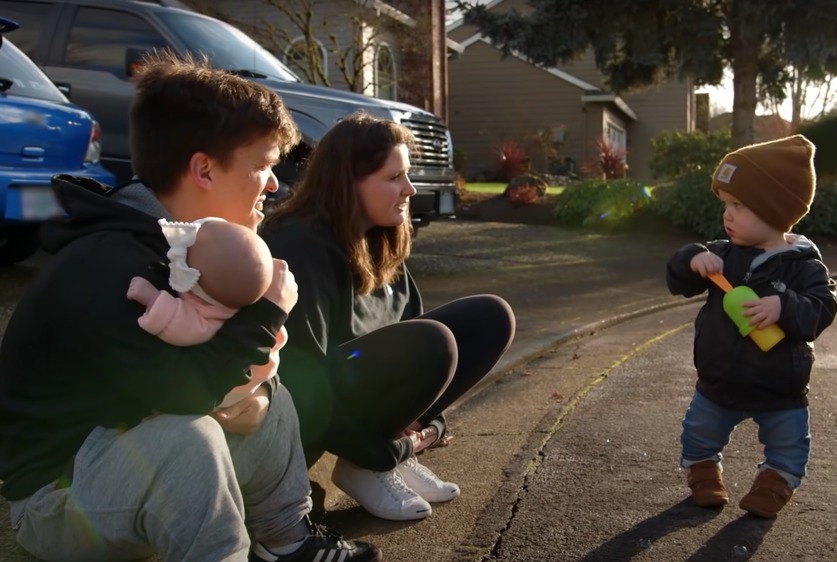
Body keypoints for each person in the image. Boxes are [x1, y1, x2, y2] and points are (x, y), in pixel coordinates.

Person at [0, 52, 380, 562]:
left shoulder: (182, 252)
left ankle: (286, 541)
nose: (273, 184)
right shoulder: (112, 267)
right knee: (191, 438)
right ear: (203, 169)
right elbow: (182, 396)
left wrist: (245, 396)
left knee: (273, 397)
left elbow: (189, 389)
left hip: (131, 451)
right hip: (57, 497)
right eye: (262, 167)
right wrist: (265, 314)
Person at [262, 111, 516, 522]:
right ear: (349, 182)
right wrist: (381, 451)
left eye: (407, 175)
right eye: (394, 177)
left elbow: (408, 328)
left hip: (355, 397)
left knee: (490, 317)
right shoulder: (300, 244)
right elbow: (300, 382)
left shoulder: (379, 236)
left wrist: (423, 426)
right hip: (310, 414)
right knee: (432, 342)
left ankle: (381, 457)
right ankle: (368, 464)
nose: (410, 189)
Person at [665, 134, 837, 519]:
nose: (727, 214)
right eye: (726, 204)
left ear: (774, 210)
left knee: (789, 442)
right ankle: (702, 470)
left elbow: (823, 306)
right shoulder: (722, 255)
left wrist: (784, 305)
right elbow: (679, 278)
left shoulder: (802, 266)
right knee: (699, 431)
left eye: (739, 205)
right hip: (719, 379)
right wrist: (691, 260)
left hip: (780, 385)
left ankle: (776, 481)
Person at [127, 218, 287, 408]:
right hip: (247, 375)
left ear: (193, 280)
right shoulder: (237, 294)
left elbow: (179, 323)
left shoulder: (208, 314)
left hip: (229, 391)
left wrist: (152, 297)